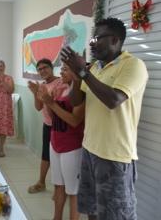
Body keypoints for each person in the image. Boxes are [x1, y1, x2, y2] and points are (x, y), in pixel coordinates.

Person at [61, 17, 148, 220]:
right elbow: (76, 101)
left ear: (115, 40)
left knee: (116, 216)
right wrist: (76, 75)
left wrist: (82, 71)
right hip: (90, 150)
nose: (92, 44)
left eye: (97, 39)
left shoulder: (133, 66)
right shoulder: (95, 68)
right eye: (92, 40)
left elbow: (114, 99)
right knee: (92, 210)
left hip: (115, 156)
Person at [37, 63, 84, 220]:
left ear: (76, 72)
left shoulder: (80, 92)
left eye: (65, 69)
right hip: (55, 142)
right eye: (61, 68)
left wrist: (50, 103)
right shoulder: (62, 89)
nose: (61, 71)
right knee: (58, 186)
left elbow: (74, 120)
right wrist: (46, 99)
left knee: (73, 191)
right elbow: (53, 116)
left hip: (71, 147)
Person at [27, 58, 63, 194]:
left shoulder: (60, 83)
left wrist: (42, 94)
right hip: (47, 125)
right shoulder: (41, 85)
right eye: (39, 69)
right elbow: (38, 107)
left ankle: (61, 189)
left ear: (51, 68)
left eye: (45, 68)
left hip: (60, 127)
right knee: (45, 155)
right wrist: (35, 93)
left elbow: (57, 107)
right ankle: (41, 182)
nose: (42, 71)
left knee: (59, 157)